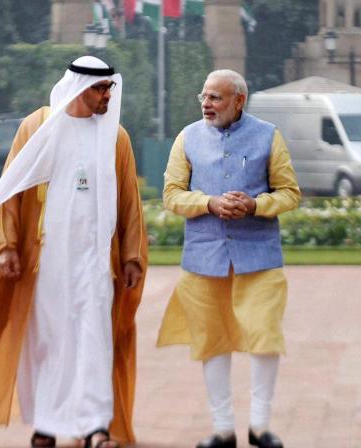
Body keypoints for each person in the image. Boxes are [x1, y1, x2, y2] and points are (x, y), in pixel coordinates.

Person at [0, 56, 148, 448]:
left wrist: (131, 256)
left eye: (110, 88)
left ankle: (94, 427)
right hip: (47, 260)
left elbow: (129, 201)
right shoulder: (37, 126)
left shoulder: (116, 136)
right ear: (77, 87)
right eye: (100, 88)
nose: (108, 95)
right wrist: (5, 246)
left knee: (94, 337)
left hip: (95, 261)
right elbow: (11, 191)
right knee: (48, 341)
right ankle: (46, 424)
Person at [156, 69, 300, 448]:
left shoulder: (269, 136)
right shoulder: (187, 138)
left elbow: (289, 193)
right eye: (203, 97)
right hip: (204, 257)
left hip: (259, 256)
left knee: (265, 335)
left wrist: (256, 205)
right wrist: (208, 202)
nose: (206, 104)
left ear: (239, 100)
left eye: (215, 97)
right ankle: (223, 430)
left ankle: (259, 426)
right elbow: (171, 194)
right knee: (211, 340)